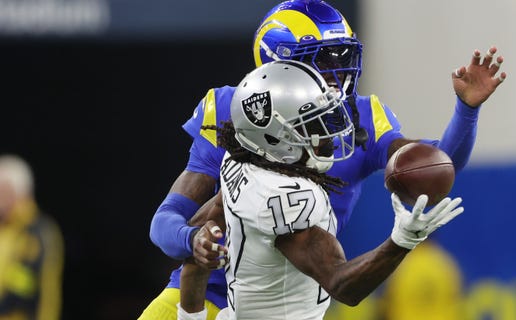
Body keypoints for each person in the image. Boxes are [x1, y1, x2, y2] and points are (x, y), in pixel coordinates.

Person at [140, 0, 506, 318]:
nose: (338, 72)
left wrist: (466, 110)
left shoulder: (361, 116)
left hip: (290, 304)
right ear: (279, 65)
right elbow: (166, 222)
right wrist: (194, 242)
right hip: (212, 293)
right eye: (323, 59)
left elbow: (435, 165)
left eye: (341, 56)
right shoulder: (234, 110)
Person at [177, 60, 465, 320]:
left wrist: (190, 317)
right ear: (275, 136)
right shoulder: (287, 198)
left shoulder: (239, 161)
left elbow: (200, 245)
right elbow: (342, 285)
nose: (329, 134)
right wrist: (400, 241)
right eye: (312, 123)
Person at [0, 154, 64, 320]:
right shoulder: (6, 229)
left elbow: (24, 284)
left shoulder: (38, 230)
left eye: (3, 189)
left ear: (20, 191)